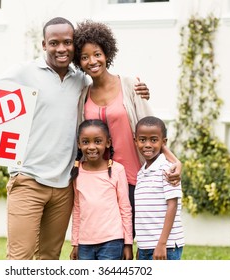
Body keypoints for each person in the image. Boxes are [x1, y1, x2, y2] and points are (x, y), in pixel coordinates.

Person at [0, 17, 151, 260]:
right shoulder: (23, 72)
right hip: (28, 179)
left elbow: (114, 95)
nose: (61, 48)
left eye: (68, 42)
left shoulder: (80, 80)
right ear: (43, 44)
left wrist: (139, 89)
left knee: (49, 258)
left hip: (63, 186)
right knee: (20, 258)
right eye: (54, 43)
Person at [73, 20, 182, 240]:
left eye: (97, 54)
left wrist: (174, 161)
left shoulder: (130, 85)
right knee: (111, 243)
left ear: (107, 53)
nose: (92, 61)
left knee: (139, 240)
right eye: (84, 57)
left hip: (135, 179)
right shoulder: (83, 94)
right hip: (103, 182)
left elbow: (152, 130)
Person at [70, 119, 133, 260]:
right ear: (79, 145)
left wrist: (128, 243)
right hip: (85, 243)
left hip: (112, 241)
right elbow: (77, 208)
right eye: (86, 142)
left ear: (108, 143)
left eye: (98, 141)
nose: (91, 147)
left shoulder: (117, 170)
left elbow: (125, 208)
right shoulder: (77, 172)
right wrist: (75, 242)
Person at [134, 116, 185, 260]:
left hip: (165, 246)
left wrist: (162, 243)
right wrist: (142, 246)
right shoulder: (141, 172)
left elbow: (172, 206)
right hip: (146, 246)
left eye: (154, 140)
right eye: (142, 140)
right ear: (135, 141)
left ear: (163, 143)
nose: (148, 144)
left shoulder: (168, 170)